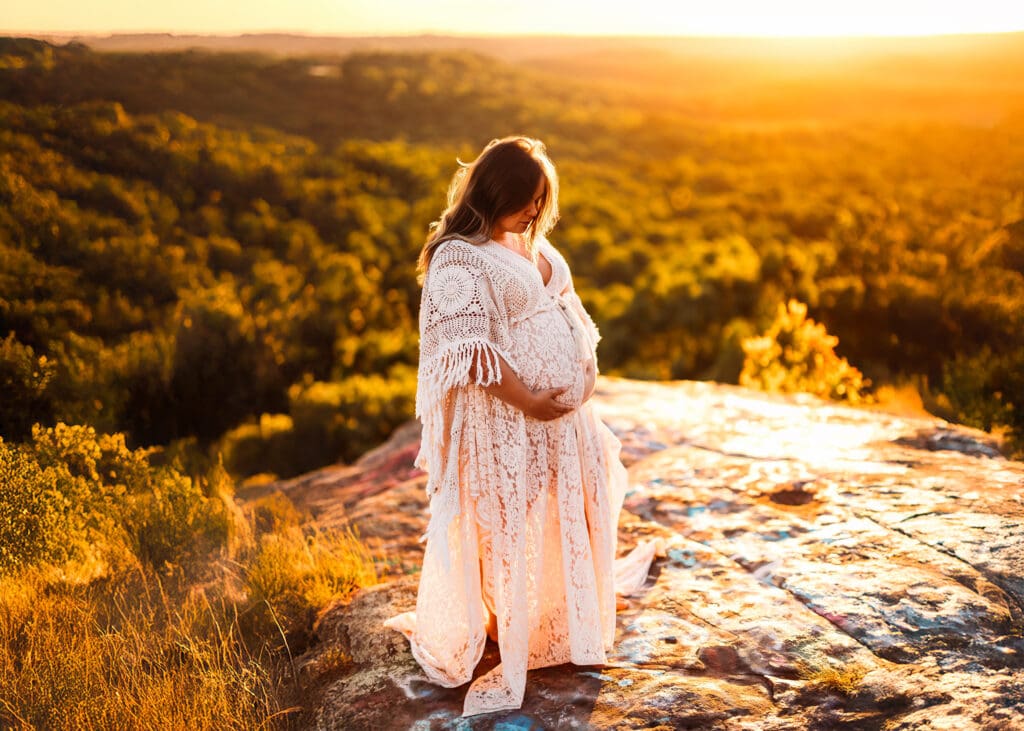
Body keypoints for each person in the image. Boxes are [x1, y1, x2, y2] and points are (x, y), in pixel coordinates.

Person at [383, 136, 661, 717]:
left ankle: (558, 614)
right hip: (508, 419)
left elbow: (566, 306)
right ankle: (500, 621)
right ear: (493, 191)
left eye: (541, 200)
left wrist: (582, 372)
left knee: (571, 506)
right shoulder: (457, 256)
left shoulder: (525, 239)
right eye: (525, 199)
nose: (535, 211)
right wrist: (530, 400)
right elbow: (468, 350)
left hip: (563, 420)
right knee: (505, 519)